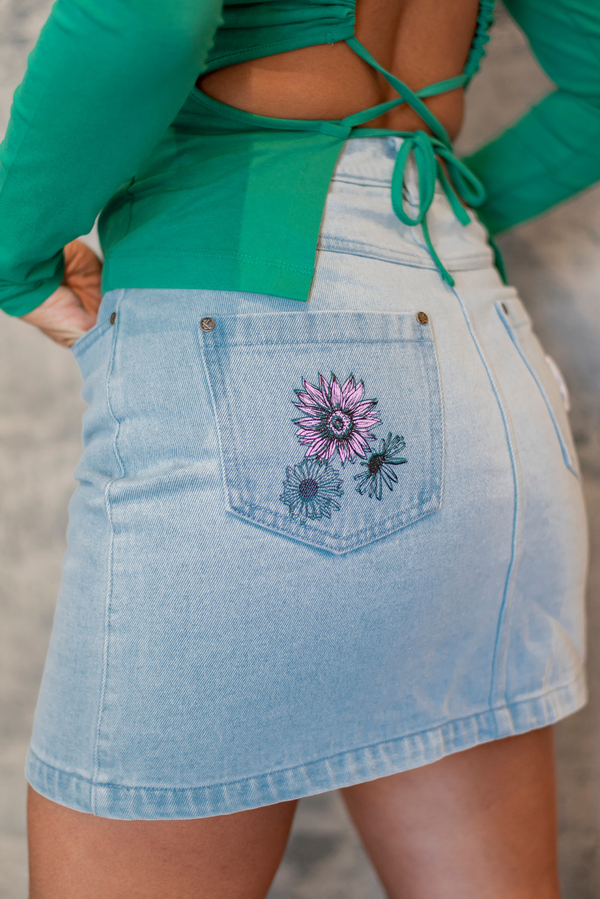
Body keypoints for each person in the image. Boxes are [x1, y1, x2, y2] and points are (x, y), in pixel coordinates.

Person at [1, 0, 598, 895]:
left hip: (264, 339)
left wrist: (12, 248)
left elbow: (147, 20)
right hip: (479, 348)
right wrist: (427, 211)